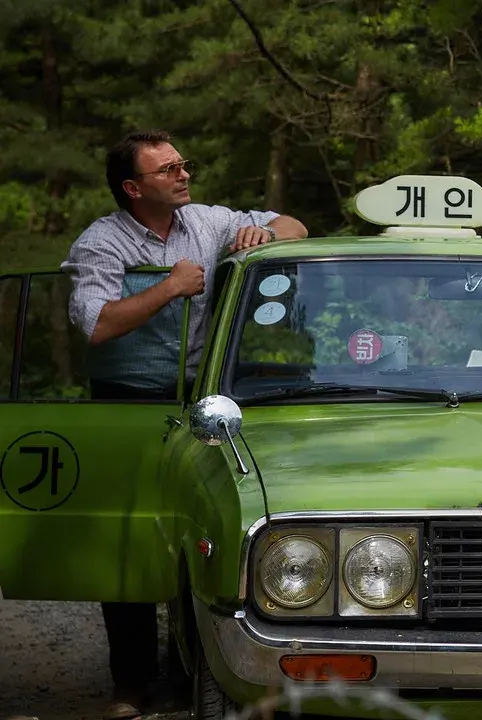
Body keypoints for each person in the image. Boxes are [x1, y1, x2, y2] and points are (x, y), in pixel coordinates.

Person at [60, 129, 308, 720]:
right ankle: (131, 684)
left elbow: (296, 226)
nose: (183, 174)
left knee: (198, 536)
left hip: (203, 401)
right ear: (132, 187)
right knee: (131, 540)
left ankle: (188, 673)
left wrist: (262, 233)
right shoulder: (103, 242)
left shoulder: (209, 220)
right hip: (126, 403)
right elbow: (92, 324)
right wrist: (170, 287)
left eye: (183, 165)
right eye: (167, 169)